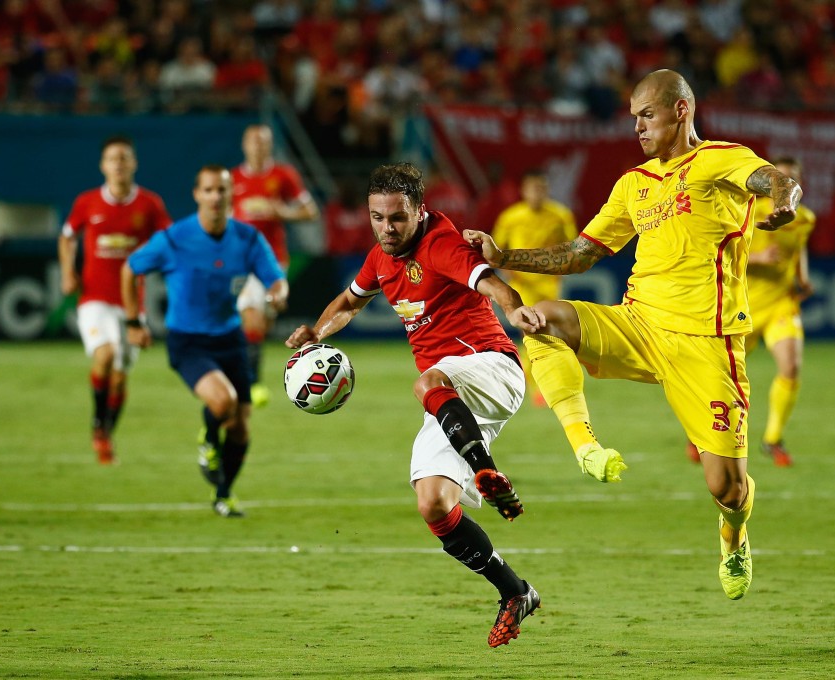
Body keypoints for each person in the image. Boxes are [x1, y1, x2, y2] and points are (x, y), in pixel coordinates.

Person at [463, 69, 802, 601]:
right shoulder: (634, 185)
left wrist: (783, 197)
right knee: (541, 317)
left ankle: (734, 538)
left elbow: (772, 180)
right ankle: (585, 446)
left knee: (726, 487)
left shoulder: (718, 159)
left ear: (681, 111)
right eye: (633, 119)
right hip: (637, 323)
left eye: (646, 115)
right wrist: (505, 258)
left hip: (707, 344)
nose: (637, 127)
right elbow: (581, 253)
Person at [285, 162, 544, 647]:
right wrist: (315, 332)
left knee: (427, 380)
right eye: (377, 217)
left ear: (419, 211)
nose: (386, 228)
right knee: (433, 505)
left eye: (397, 218)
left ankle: (488, 475)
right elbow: (348, 301)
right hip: (453, 403)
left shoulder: (440, 244)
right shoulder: (381, 259)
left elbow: (489, 280)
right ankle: (516, 592)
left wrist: (513, 308)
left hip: (492, 369)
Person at [122, 165, 289, 518]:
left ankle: (223, 494)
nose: (216, 197)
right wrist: (133, 320)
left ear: (232, 196)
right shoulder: (174, 239)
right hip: (188, 342)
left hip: (230, 339)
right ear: (197, 194)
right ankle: (208, 439)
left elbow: (276, 279)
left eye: (223, 190)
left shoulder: (247, 239)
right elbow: (130, 268)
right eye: (209, 190)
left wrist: (277, 295)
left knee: (241, 427)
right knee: (223, 402)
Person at [688, 156, 816, 467]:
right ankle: (699, 433)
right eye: (780, 179)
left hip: (780, 304)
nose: (785, 187)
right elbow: (718, 252)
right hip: (741, 305)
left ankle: (773, 439)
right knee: (720, 378)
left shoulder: (804, 219)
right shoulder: (747, 208)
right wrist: (757, 258)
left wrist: (802, 277)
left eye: (792, 180)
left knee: (791, 367)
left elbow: (797, 249)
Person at [58, 135, 172, 465]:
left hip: (131, 304)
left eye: (125, 158)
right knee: (105, 355)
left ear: (134, 163)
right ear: (103, 166)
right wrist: (68, 271)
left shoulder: (149, 204)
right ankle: (97, 427)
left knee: (120, 375)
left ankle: (107, 433)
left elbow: (168, 241)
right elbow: (67, 238)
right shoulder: (87, 202)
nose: (119, 164)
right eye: (113, 158)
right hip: (94, 297)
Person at [231, 123, 319, 407]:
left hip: (272, 261)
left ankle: (247, 376)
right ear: (244, 145)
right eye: (253, 142)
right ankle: (251, 383)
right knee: (252, 320)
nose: (257, 147)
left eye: (263, 142)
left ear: (270, 145)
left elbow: (309, 210)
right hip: (239, 262)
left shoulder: (283, 175)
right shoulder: (232, 179)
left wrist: (281, 211)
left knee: (258, 322)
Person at [491, 168, 579, 406]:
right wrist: (509, 274)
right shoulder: (511, 217)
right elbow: (496, 249)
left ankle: (531, 380)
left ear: (547, 190)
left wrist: (560, 270)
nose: (537, 193)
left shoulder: (560, 215)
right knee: (533, 333)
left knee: (547, 336)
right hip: (523, 286)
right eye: (533, 188)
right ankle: (536, 386)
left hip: (549, 286)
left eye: (541, 188)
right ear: (524, 190)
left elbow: (570, 246)